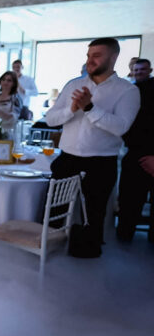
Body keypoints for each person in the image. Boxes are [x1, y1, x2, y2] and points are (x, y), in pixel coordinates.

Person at [46, 37, 140, 256]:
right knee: (54, 209)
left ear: (113, 57)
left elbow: (121, 127)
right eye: (88, 55)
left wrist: (89, 108)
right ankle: (47, 252)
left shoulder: (127, 91)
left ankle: (85, 262)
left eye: (97, 56)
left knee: (93, 214)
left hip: (100, 161)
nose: (90, 60)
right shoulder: (73, 85)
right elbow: (51, 119)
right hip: (67, 158)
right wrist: (72, 109)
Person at [117, 58, 154, 243]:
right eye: (136, 70)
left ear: (150, 70)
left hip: (150, 151)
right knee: (129, 198)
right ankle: (125, 234)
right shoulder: (128, 91)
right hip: (134, 151)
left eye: (143, 69)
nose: (139, 73)